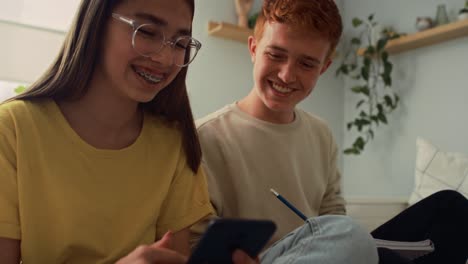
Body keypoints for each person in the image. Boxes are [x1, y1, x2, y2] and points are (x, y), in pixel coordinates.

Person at [0, 0, 256, 263]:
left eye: (180, 44)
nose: (165, 59)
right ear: (96, 25)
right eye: (146, 31)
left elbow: (174, 257)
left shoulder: (172, 142)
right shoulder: (12, 129)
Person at [192, 0, 379, 263]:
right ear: (254, 49)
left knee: (448, 209)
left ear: (324, 67)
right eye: (276, 55)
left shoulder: (321, 134)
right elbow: (198, 244)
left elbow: (334, 221)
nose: (287, 75)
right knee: (356, 238)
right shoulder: (204, 137)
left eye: (307, 64)